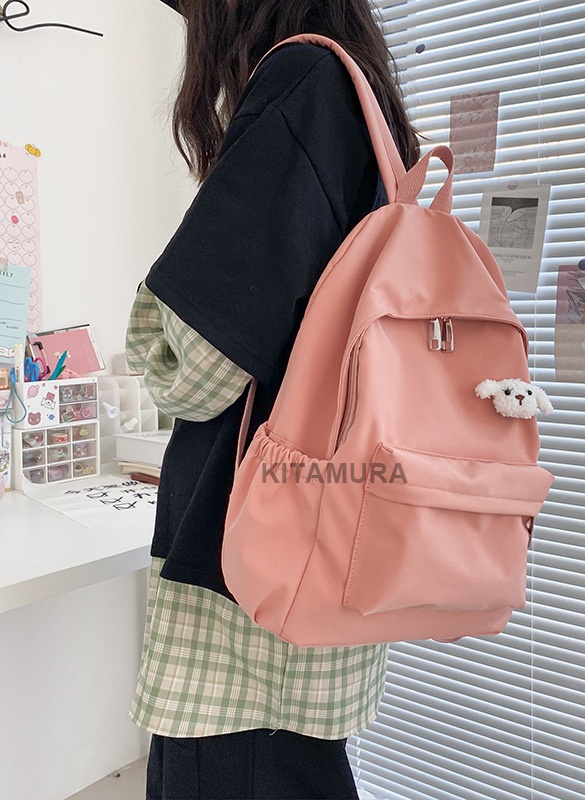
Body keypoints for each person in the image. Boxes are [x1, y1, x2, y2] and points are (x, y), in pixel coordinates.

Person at [125, 2, 419, 798]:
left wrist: (146, 326)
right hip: (326, 548)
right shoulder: (363, 101)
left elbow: (195, 368)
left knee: (241, 772)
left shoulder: (302, 82)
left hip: (245, 590)